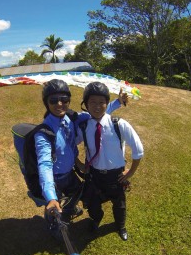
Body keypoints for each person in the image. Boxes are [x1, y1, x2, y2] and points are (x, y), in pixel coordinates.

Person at [35, 79, 127, 237]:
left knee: (82, 195)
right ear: (46, 103)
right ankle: (55, 228)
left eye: (64, 99)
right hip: (55, 179)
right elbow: (44, 165)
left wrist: (118, 102)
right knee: (57, 208)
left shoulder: (71, 118)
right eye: (53, 100)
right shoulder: (43, 133)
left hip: (70, 172)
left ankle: (71, 209)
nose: (59, 104)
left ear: (69, 101)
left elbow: (97, 111)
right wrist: (50, 197)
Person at [77, 81, 143, 241]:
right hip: (94, 175)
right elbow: (70, 146)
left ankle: (120, 225)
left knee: (119, 204)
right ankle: (96, 219)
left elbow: (138, 149)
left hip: (116, 175)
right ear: (85, 104)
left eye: (102, 102)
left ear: (107, 103)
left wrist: (130, 172)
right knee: (92, 204)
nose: (97, 106)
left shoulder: (119, 124)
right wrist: (79, 164)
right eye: (92, 102)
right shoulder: (84, 126)